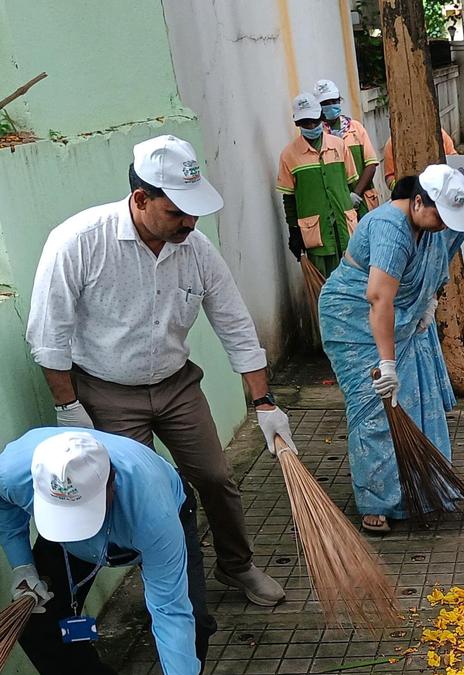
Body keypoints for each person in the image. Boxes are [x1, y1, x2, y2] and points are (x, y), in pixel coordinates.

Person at [25, 135, 290, 607]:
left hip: (176, 385)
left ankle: (237, 566)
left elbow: (234, 323)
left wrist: (264, 401)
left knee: (214, 477)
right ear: (141, 198)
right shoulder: (79, 242)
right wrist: (69, 408)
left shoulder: (197, 248)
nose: (189, 222)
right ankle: (165, 592)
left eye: (194, 212)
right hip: (105, 392)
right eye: (177, 212)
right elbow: (49, 336)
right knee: (139, 498)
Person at [318, 165, 464, 533]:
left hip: (405, 318)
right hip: (356, 320)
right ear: (417, 201)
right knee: (375, 407)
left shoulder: (439, 225)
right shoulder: (391, 228)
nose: (444, 224)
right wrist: (386, 365)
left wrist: (427, 304)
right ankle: (378, 500)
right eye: (438, 214)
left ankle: (421, 486)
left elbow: (436, 268)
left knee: (417, 399)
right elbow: (379, 299)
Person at [1, 430, 216, 674]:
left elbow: (169, 609)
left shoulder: (153, 513)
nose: (79, 530)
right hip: (61, 537)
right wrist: (22, 564)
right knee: (38, 622)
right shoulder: (11, 471)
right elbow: (3, 502)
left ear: (111, 481)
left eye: (83, 512)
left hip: (150, 517)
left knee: (192, 623)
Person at [277, 93, 359, 277]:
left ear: (321, 118)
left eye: (314, 120)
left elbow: (351, 184)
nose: (311, 126)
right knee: (325, 287)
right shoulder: (289, 155)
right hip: (316, 235)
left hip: (345, 229)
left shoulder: (339, 146)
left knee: (354, 282)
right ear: (298, 124)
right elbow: (289, 198)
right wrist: (294, 232)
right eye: (306, 122)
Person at [314, 79, 380, 214]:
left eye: (334, 101)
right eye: (326, 103)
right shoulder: (317, 135)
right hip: (335, 206)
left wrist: (355, 194)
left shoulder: (355, 128)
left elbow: (371, 164)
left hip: (363, 201)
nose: (332, 105)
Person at [382, 131, 458, 192]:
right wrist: (403, 191)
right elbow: (389, 177)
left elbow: (455, 161)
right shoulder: (393, 143)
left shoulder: (440, 134)